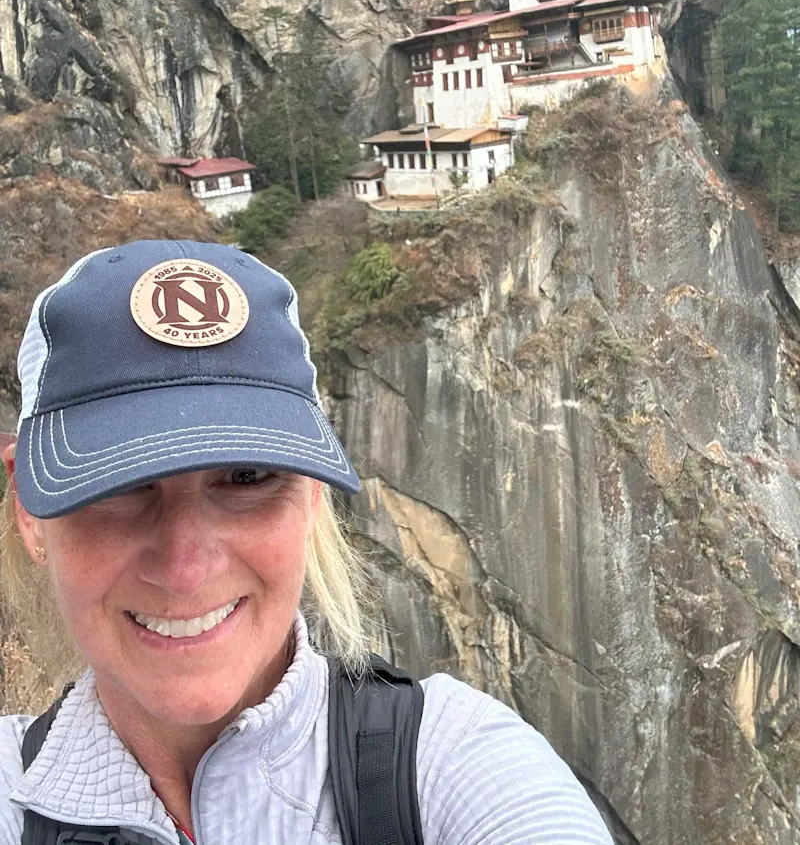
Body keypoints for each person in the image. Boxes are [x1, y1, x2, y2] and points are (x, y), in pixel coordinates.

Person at [0, 239, 613, 844]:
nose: (186, 569)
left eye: (247, 476)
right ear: (29, 510)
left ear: (314, 492)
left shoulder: (457, 766)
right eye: (119, 485)